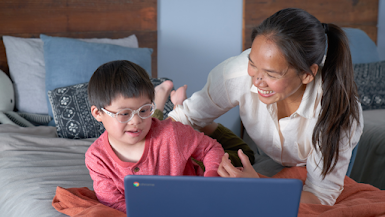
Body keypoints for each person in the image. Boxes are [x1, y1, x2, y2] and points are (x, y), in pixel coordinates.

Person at [167, 8, 363, 206]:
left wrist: (256, 187)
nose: (258, 81)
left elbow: (319, 197)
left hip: (325, 150)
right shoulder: (236, 73)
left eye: (271, 74)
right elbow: (183, 118)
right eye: (252, 64)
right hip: (273, 155)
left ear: (307, 74)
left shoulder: (338, 113)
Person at [85, 60, 224, 213]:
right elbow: (113, 203)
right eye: (124, 114)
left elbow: (211, 148)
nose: (136, 121)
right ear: (98, 113)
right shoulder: (97, 158)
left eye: (144, 110)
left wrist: (211, 179)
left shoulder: (172, 133)